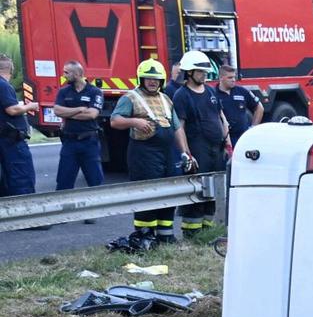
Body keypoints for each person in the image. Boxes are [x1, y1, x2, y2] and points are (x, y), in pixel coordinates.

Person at [110, 58, 192, 243]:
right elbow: (115, 121)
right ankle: (145, 236)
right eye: (148, 78)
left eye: (156, 79)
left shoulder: (166, 99)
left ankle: (166, 235)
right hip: (143, 154)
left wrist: (185, 152)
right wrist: (134, 122)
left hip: (167, 153)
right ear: (141, 79)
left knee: (169, 192)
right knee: (147, 193)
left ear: (162, 81)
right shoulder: (130, 97)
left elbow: (177, 127)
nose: (152, 81)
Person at [172, 50, 230, 234]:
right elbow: (179, 126)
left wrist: (228, 144)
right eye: (200, 72)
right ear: (189, 72)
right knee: (197, 192)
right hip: (197, 150)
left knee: (213, 193)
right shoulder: (182, 95)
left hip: (216, 149)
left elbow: (221, 117)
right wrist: (186, 153)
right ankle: (192, 234)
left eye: (205, 72)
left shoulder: (211, 91)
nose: (204, 75)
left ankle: (207, 234)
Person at [52, 61, 105, 220]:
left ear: (78, 74)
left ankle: (92, 212)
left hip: (89, 141)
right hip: (69, 142)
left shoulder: (95, 92)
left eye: (67, 72)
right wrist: (79, 109)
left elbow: (92, 114)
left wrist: (68, 113)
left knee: (94, 179)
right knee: (64, 179)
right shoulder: (64, 91)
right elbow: (57, 110)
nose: (64, 75)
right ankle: (62, 213)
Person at [0, 54, 39, 203]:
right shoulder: (3, 85)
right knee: (21, 174)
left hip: (4, 138)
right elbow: (12, 110)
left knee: (6, 177)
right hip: (11, 140)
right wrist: (30, 106)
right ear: (10, 69)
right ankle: (27, 213)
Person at [212, 68, 262, 148]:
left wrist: (253, 128)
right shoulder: (213, 94)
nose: (233, 80)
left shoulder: (242, 91)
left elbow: (259, 107)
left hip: (242, 138)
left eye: (234, 77)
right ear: (221, 77)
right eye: (230, 77)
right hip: (224, 139)